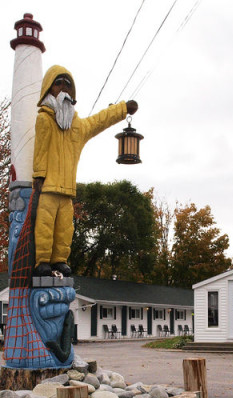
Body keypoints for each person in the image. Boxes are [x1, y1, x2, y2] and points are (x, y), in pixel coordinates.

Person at [32, 64, 138, 277]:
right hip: (49, 186)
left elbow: (100, 119)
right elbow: (40, 149)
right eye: (58, 83)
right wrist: (39, 176)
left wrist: (123, 109)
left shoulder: (77, 126)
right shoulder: (44, 118)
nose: (63, 88)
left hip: (68, 189)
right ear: (49, 88)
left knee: (65, 229)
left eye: (67, 85)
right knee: (44, 225)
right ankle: (42, 261)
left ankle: (59, 260)